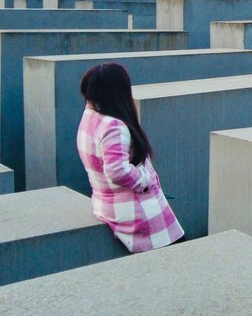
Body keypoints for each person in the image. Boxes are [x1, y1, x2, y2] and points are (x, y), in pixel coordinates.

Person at [76, 62, 184, 252]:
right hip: (136, 213)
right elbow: (117, 171)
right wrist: (145, 180)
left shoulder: (89, 117)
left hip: (107, 204)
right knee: (180, 258)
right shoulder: (113, 126)